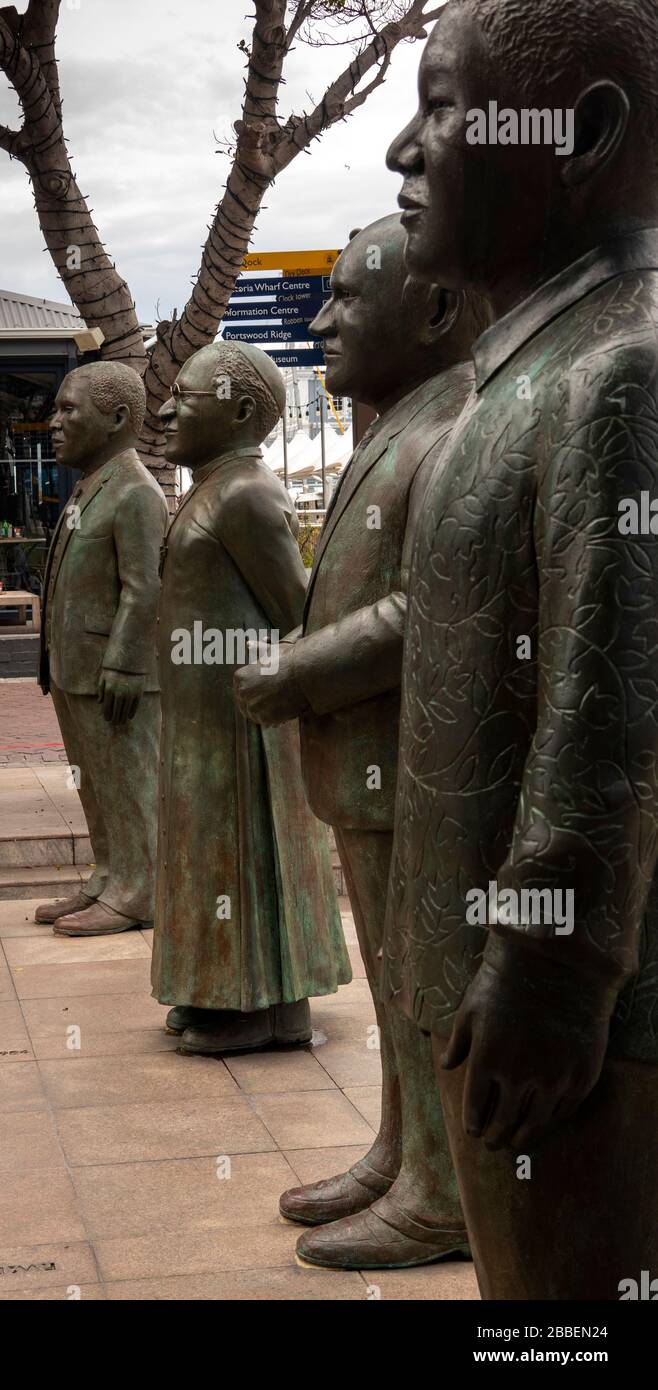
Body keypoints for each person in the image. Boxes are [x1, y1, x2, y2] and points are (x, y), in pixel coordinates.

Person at [382, 0, 658, 1298]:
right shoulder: (530, 370)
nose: (401, 149)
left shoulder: (625, 370)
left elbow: (618, 697)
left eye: (441, 106)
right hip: (489, 987)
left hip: (570, 1028)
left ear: (581, 132)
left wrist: (554, 962)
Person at [236, 214, 490, 1269]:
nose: (322, 318)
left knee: (427, 983)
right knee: (393, 985)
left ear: (432, 309)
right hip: (367, 768)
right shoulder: (398, 423)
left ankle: (441, 1191)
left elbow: (415, 611)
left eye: (346, 296)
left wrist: (295, 671)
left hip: (415, 768)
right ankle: (401, 1151)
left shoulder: (444, 434)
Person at [151, 341, 351, 1055]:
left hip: (243, 725)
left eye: (186, 397)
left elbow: (298, 611)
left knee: (241, 853)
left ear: (238, 413)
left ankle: (271, 1007)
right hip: (204, 718)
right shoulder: (209, 484)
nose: (167, 407)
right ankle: (216, 990)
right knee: (206, 853)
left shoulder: (247, 493)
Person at [34, 363, 168, 936]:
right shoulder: (91, 487)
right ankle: (109, 873)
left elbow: (145, 587)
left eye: (69, 410)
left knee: (129, 782)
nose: (54, 422)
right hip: (75, 669)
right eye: (56, 409)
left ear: (115, 419)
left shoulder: (136, 492)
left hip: (115, 672)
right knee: (92, 779)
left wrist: (125, 660)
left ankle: (140, 891)